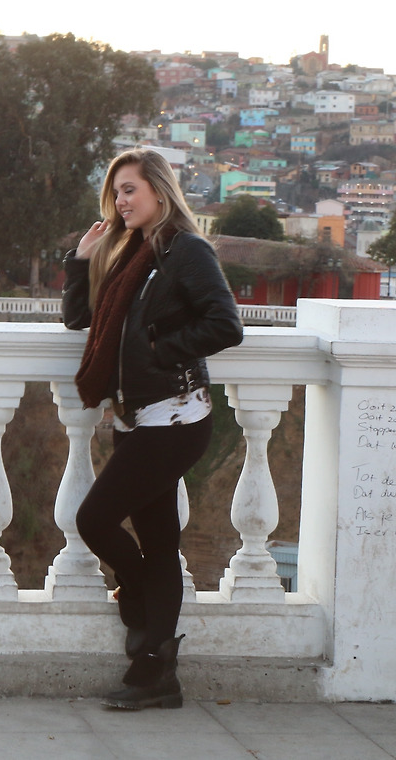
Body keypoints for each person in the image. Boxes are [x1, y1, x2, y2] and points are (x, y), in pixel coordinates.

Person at [62, 148, 242, 711]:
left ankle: (137, 598)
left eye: (130, 189)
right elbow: (78, 318)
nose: (120, 200)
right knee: (161, 544)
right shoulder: (128, 253)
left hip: (176, 416)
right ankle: (157, 674)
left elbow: (225, 324)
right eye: (115, 192)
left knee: (93, 519)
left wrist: (160, 349)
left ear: (159, 192)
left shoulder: (186, 250)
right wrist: (80, 260)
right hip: (135, 416)